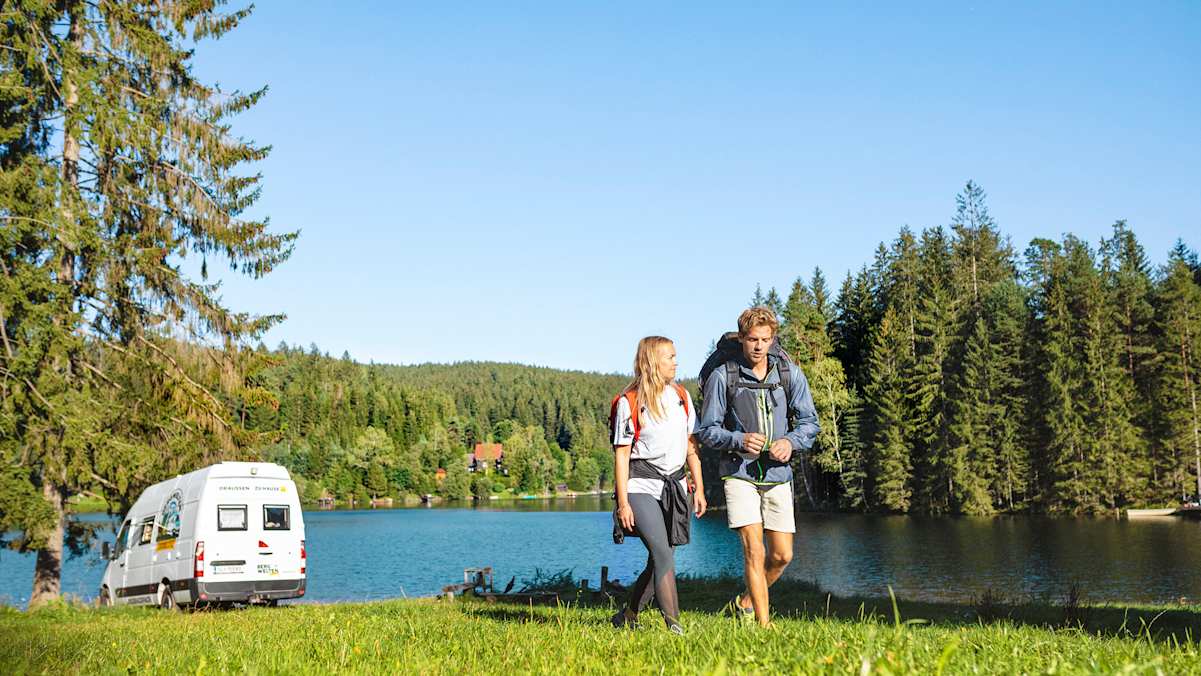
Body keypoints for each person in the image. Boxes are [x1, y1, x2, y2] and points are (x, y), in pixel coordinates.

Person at [696, 307, 819, 627]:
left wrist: (791, 442)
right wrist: (738, 440)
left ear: (773, 339)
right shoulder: (724, 376)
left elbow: (809, 422)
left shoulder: (790, 374)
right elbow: (707, 430)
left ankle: (746, 601)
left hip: (778, 475)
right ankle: (763, 626)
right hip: (739, 473)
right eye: (752, 339)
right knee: (754, 550)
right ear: (742, 338)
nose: (759, 346)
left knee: (781, 556)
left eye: (765, 339)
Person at [609, 336, 706, 635]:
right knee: (663, 554)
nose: (676, 362)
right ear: (652, 361)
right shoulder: (630, 402)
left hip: (676, 485)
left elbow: (691, 447)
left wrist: (698, 487)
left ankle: (628, 615)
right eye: (670, 357)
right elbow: (622, 455)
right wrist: (623, 503)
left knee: (661, 557)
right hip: (640, 485)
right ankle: (675, 628)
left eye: (676, 356)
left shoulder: (681, 397)